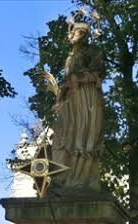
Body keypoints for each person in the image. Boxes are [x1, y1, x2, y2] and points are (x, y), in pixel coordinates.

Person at [52, 21, 105, 191]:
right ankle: (62, 177)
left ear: (85, 34)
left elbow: (98, 74)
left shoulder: (94, 51)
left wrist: (78, 79)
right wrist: (60, 99)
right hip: (71, 98)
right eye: (76, 32)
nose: (77, 35)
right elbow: (66, 80)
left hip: (86, 96)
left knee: (83, 134)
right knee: (65, 132)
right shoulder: (70, 57)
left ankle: (81, 178)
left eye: (81, 32)